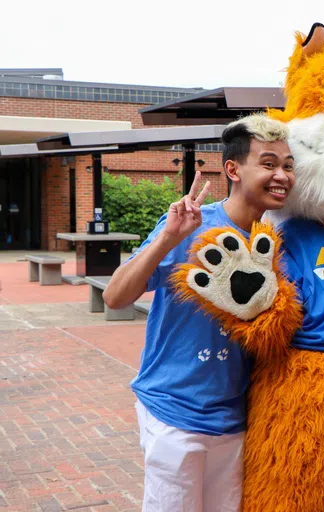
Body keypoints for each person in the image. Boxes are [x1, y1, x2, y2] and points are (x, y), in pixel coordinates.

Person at [102, 114, 295, 512]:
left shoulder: (276, 243)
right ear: (233, 169)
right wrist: (168, 238)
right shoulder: (192, 223)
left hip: (234, 419)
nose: (282, 175)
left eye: (288, 166)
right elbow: (116, 297)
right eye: (269, 163)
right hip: (174, 412)